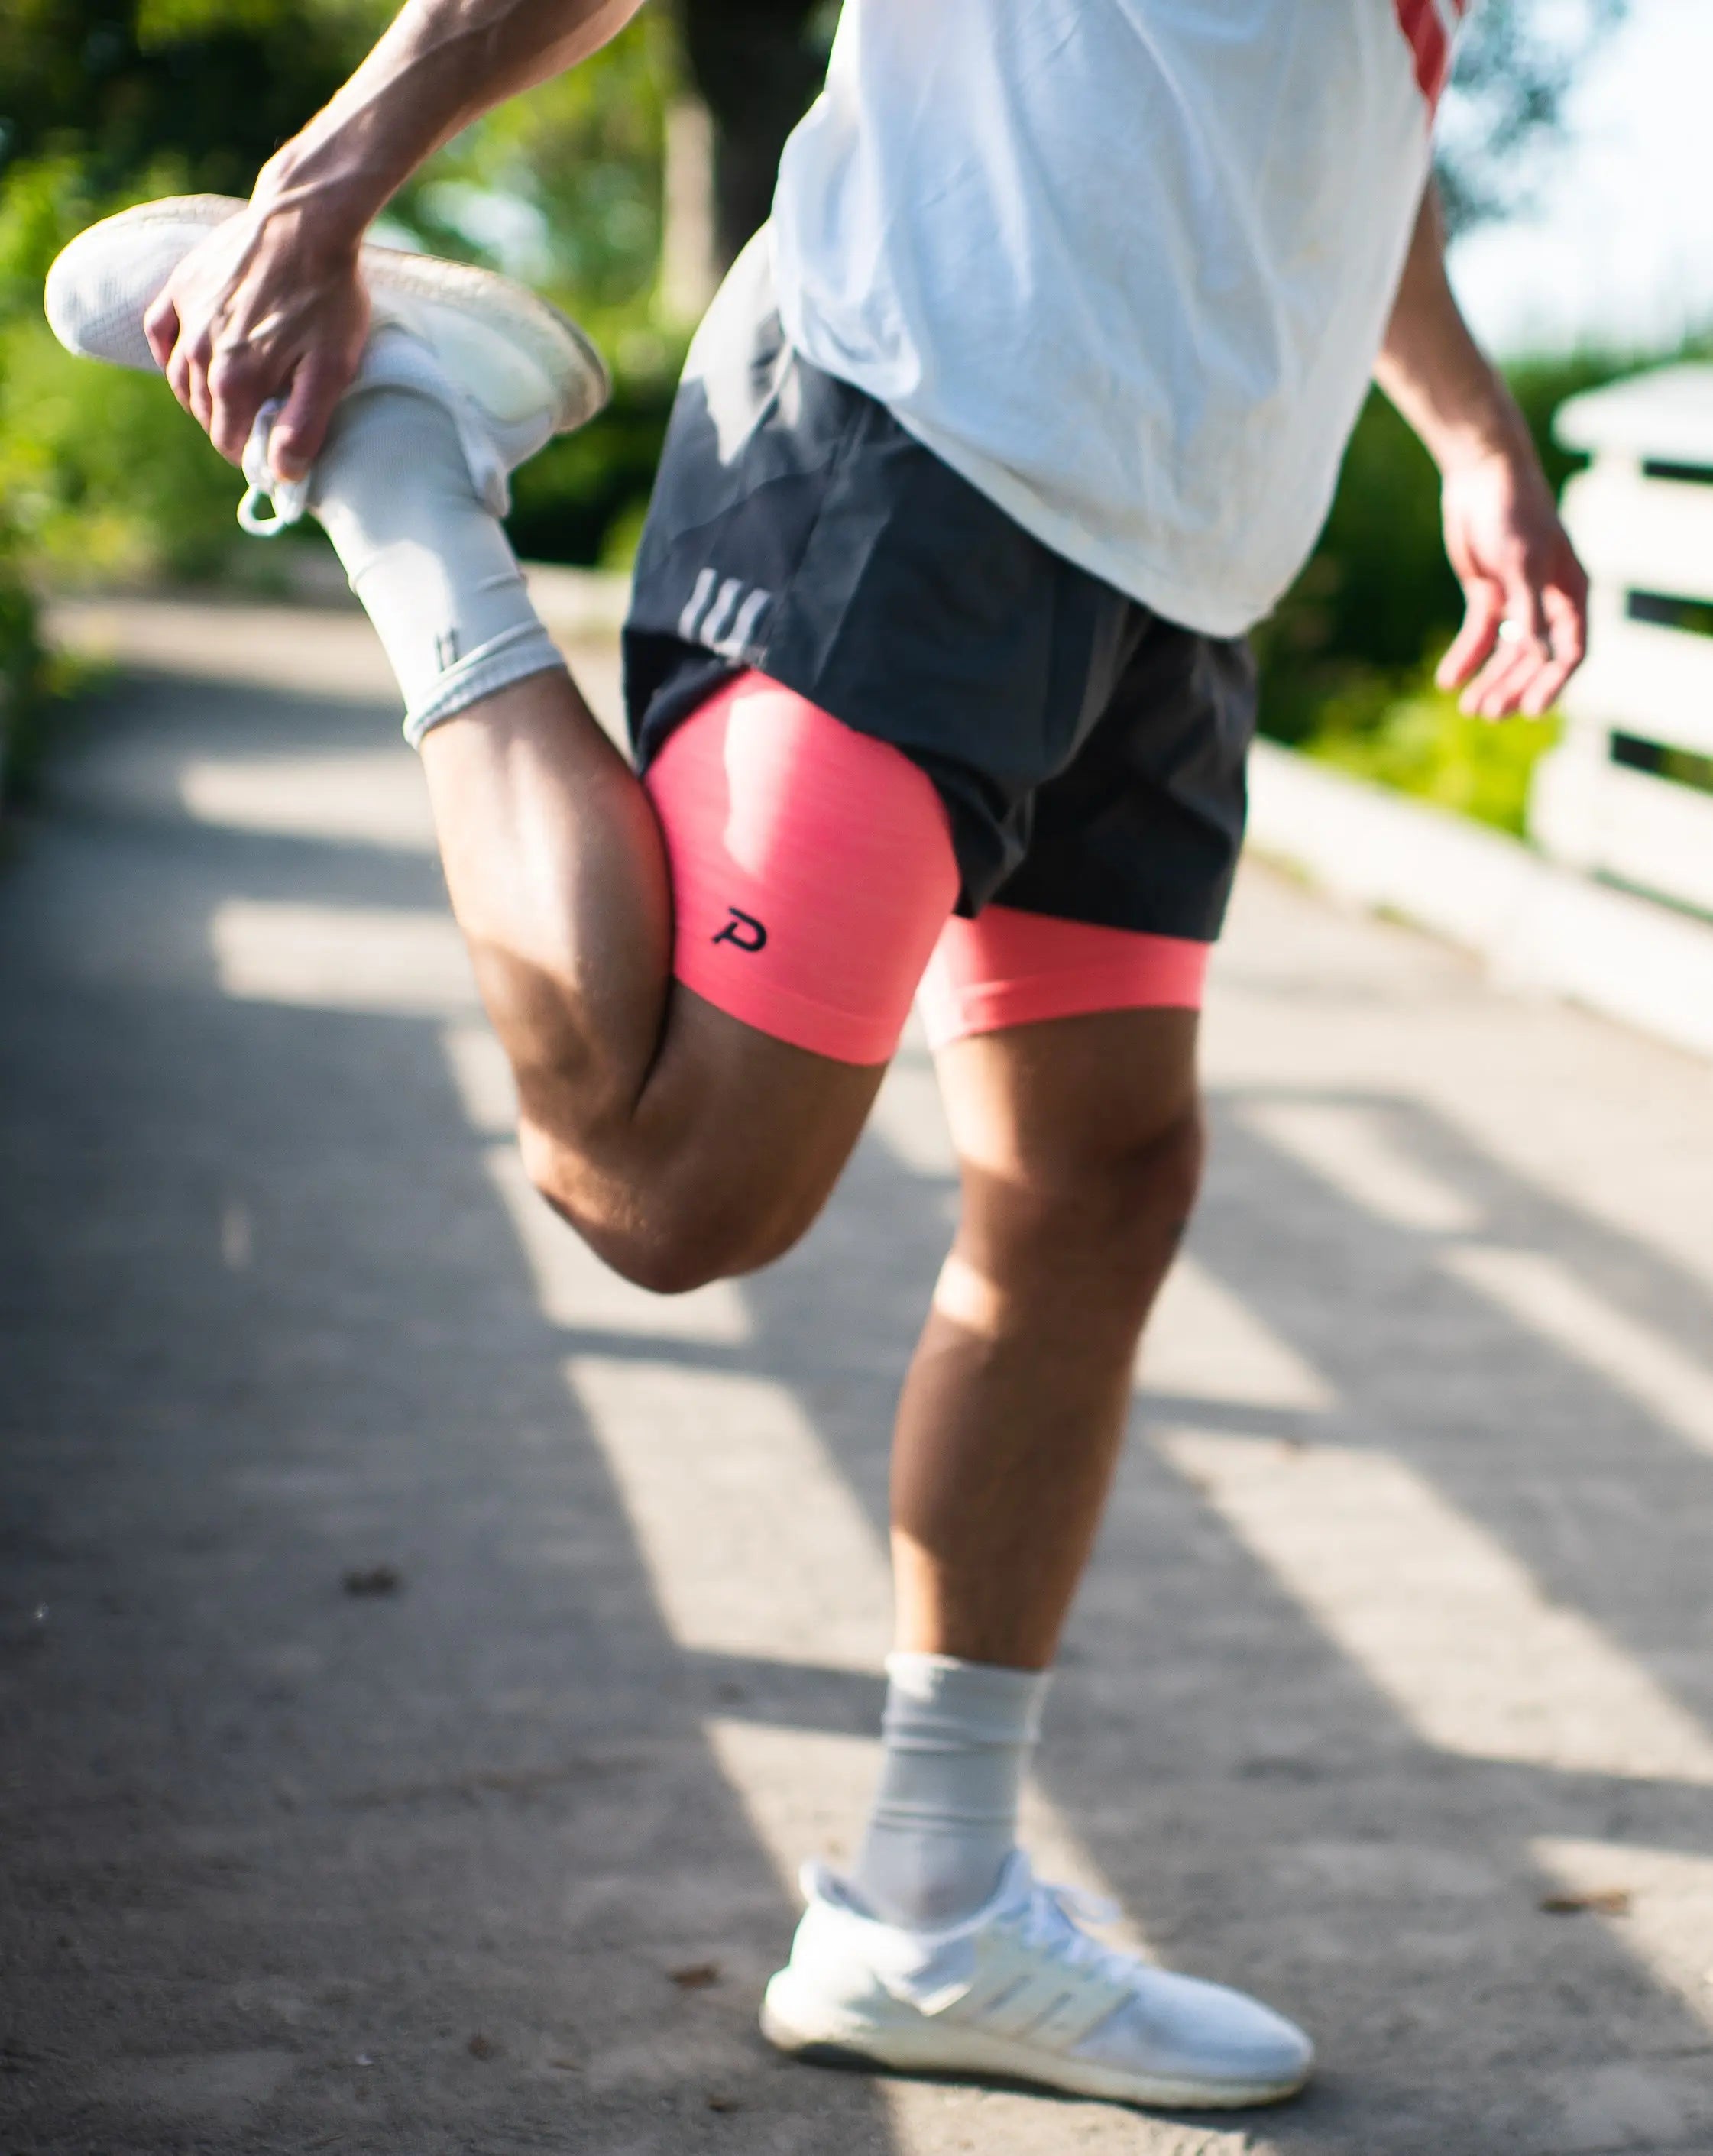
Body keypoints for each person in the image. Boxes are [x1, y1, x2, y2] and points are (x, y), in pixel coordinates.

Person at [47, 0, 1587, 2113]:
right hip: (914, 438)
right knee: (671, 1183)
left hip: (1180, 561)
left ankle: (928, 1913)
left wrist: (1474, 433)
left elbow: (1338, 132)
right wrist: (335, 179)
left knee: (1101, 1183)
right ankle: (403, 469)